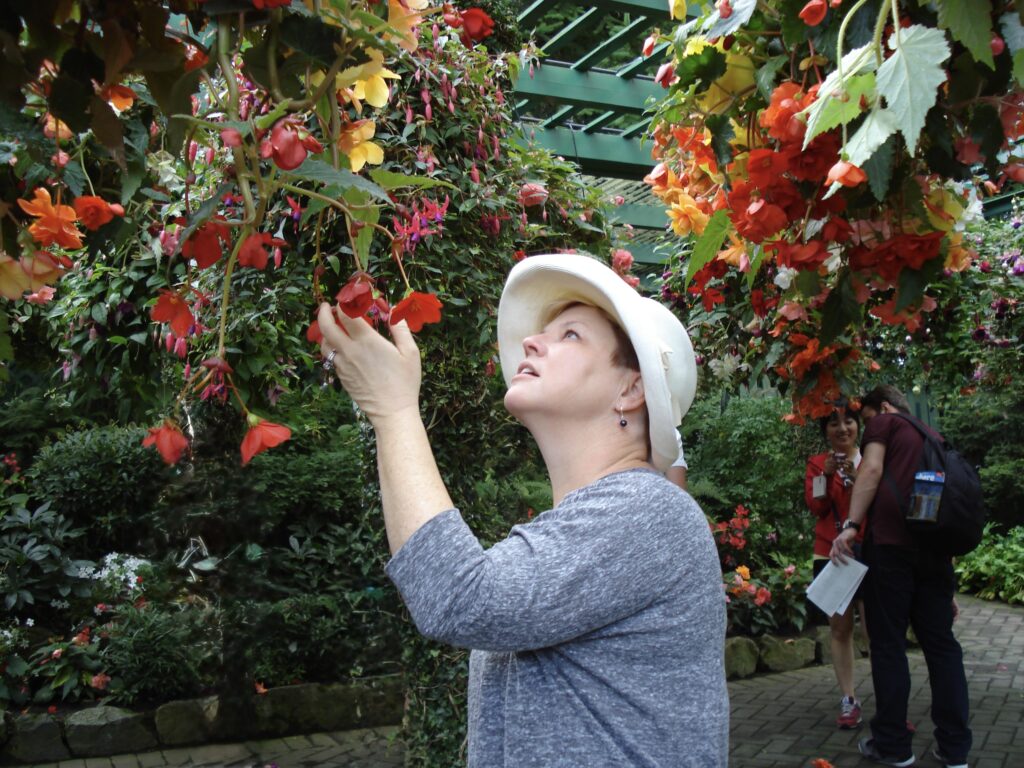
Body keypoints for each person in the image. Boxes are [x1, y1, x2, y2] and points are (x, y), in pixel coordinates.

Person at [318, 253, 729, 767]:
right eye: (545, 333)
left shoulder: (651, 513)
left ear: (631, 389)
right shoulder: (589, 524)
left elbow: (460, 597)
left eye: (571, 335)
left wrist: (393, 409)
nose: (532, 342)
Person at [831, 385, 971, 768]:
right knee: (942, 648)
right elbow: (934, 509)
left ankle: (894, 747)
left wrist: (850, 525)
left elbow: (872, 469)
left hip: (891, 550)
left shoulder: (887, 423)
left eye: (867, 419)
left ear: (885, 407)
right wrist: (949, 581)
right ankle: (955, 749)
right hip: (933, 555)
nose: (867, 427)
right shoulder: (932, 438)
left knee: (889, 646)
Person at [805, 401, 866, 729]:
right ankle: (849, 699)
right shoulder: (817, 464)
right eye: (833, 423)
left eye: (849, 421)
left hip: (869, 553)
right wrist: (826, 476)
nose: (842, 428)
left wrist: (858, 478)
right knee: (840, 629)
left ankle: (889, 698)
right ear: (825, 431)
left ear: (858, 426)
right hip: (832, 555)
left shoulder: (871, 461)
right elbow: (816, 507)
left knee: (876, 630)